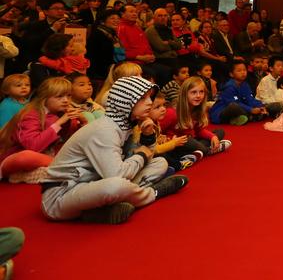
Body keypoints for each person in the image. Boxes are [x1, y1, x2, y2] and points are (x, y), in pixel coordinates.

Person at [40, 75, 189, 224]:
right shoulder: (105, 130)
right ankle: (154, 193)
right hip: (60, 196)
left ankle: (99, 211)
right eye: (142, 98)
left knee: (160, 163)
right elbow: (118, 173)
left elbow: (147, 154)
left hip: (95, 181)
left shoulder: (125, 125)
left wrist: (148, 136)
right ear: (125, 103)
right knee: (116, 185)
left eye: (150, 97)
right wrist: (142, 155)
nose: (150, 103)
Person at [0, 77, 80, 183]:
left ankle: (59, 169)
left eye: (68, 95)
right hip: (12, 158)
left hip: (44, 156)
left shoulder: (57, 112)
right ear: (45, 98)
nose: (66, 100)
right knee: (26, 156)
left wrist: (79, 120)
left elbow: (64, 140)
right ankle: (69, 168)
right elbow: (32, 146)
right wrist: (59, 122)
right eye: (59, 96)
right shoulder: (31, 114)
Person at [163, 77, 231, 157]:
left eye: (201, 92)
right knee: (189, 141)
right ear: (185, 94)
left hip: (193, 139)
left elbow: (199, 130)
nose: (198, 96)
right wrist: (169, 140)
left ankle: (203, 149)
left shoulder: (197, 109)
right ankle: (209, 150)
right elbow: (158, 131)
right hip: (177, 144)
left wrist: (213, 137)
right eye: (193, 92)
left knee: (220, 132)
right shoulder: (172, 112)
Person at [209, 61, 267, 126]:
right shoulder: (229, 86)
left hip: (241, 108)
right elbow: (234, 103)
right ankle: (251, 116)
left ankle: (243, 118)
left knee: (265, 106)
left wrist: (261, 106)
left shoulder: (245, 84)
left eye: (244, 70)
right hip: (222, 111)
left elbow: (250, 99)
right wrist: (251, 110)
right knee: (234, 106)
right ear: (231, 74)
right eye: (239, 71)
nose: (243, 72)